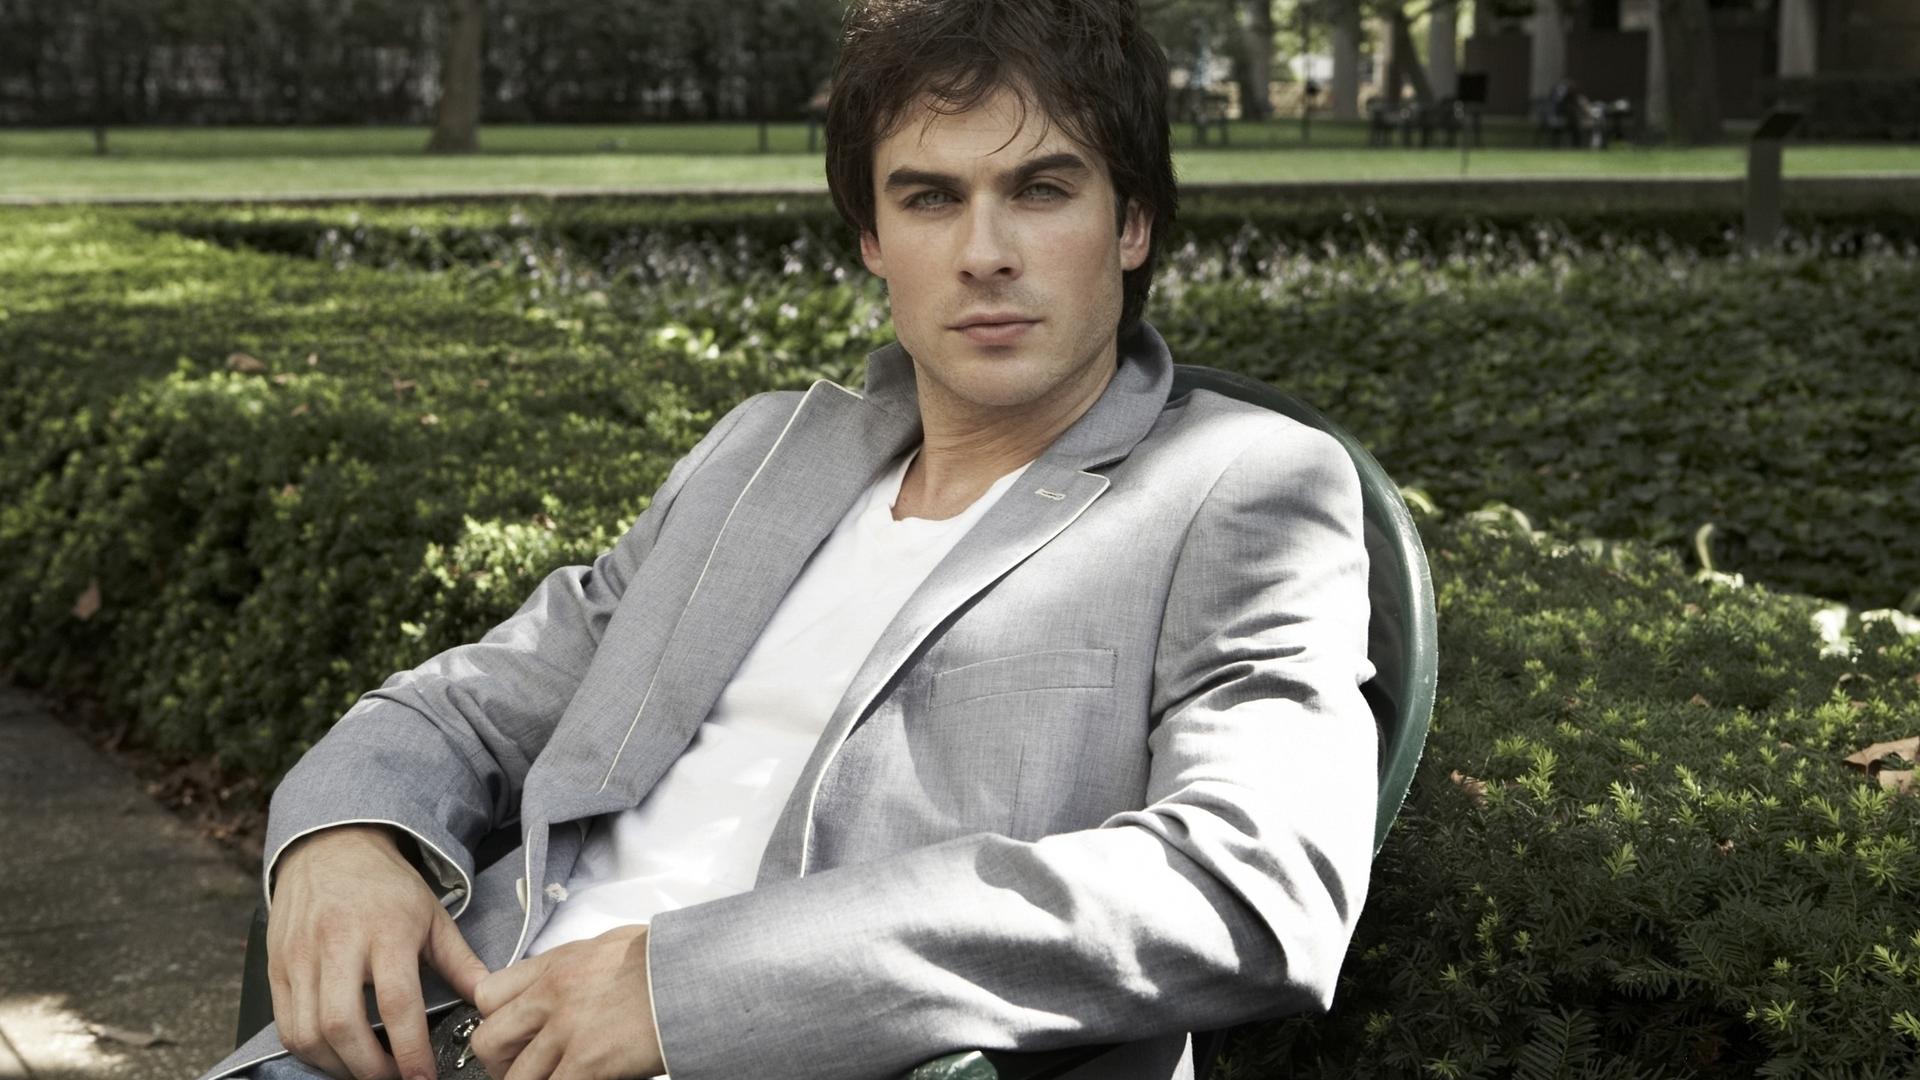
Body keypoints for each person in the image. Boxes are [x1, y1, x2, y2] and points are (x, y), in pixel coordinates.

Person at [198, 1, 1378, 1078]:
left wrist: (683, 992)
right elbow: (467, 704)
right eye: (929, 199)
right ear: (872, 240)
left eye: (1040, 189)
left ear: (1132, 223)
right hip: (460, 1030)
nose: (984, 252)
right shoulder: (762, 453)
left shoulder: (1241, 486)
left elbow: (1252, 885)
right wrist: (345, 835)